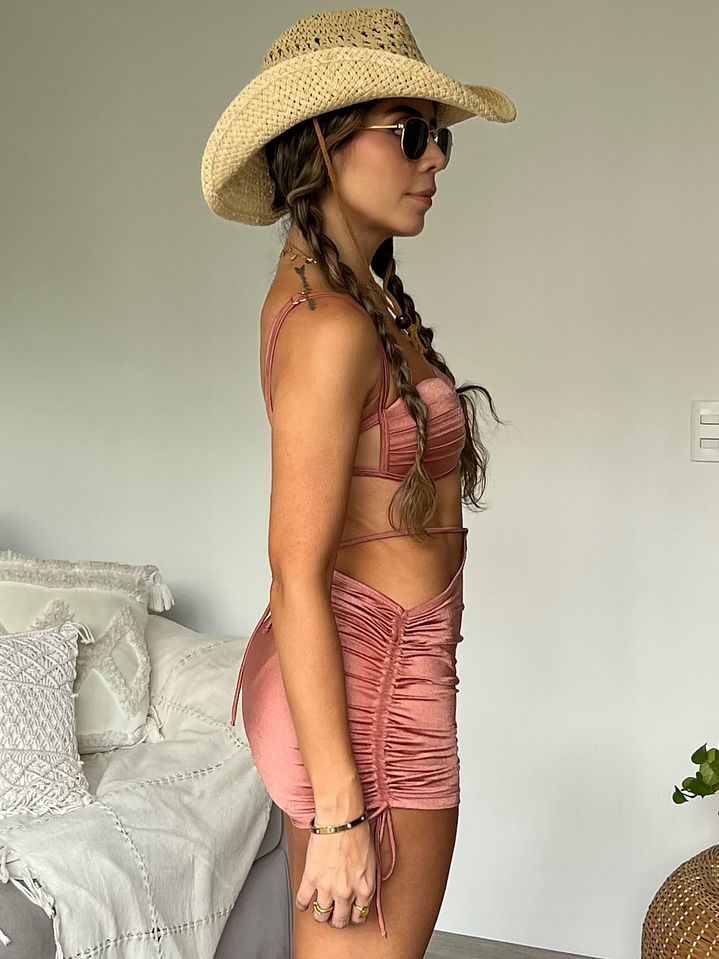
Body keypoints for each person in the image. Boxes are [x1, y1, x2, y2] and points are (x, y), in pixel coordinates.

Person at [201, 7, 516, 956]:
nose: (437, 157)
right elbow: (293, 572)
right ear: (323, 144)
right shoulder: (330, 325)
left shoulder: (354, 295)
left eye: (440, 136)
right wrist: (340, 813)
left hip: (388, 672)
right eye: (409, 133)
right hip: (374, 694)